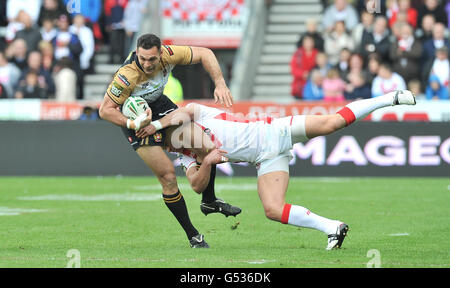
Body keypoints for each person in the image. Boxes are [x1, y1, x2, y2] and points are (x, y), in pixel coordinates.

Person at [144, 89, 417, 250]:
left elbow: (184, 111)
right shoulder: (185, 156)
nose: (165, 148)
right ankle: (333, 227)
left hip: (274, 132)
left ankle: (389, 98)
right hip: (265, 160)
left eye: (162, 141)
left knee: (332, 123)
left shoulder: (192, 115)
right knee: (272, 209)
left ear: (168, 129)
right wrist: (208, 161)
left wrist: (154, 125)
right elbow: (196, 185)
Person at [98, 33, 238, 248]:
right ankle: (193, 235)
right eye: (142, 58)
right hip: (136, 120)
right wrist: (133, 125)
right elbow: (105, 110)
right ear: (137, 53)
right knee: (168, 177)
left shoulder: (170, 55)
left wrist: (220, 83)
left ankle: (209, 201)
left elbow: (205, 53)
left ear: (160, 53)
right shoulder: (126, 76)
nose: (147, 63)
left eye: (152, 59)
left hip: (160, 106)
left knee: (208, 148)